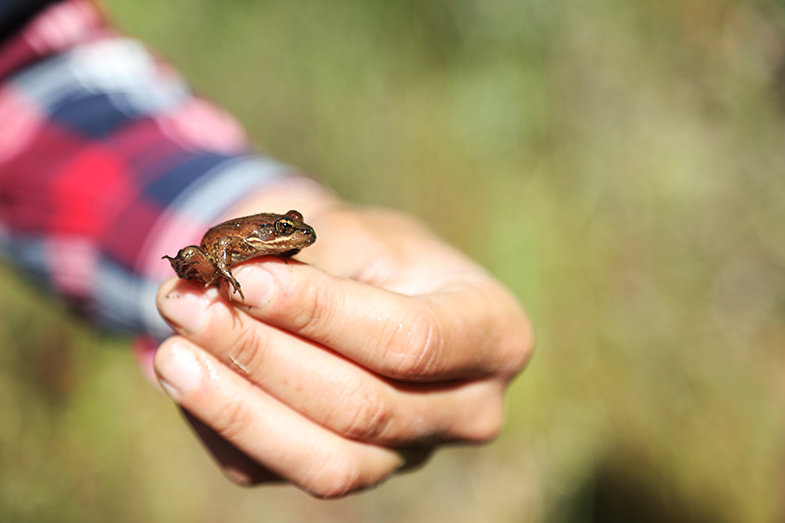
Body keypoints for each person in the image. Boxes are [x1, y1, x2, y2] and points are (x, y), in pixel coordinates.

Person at [0, 0, 533, 498]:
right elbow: (220, 253)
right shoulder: (243, 246)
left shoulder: (271, 239)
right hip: (214, 250)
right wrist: (225, 278)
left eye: (289, 230)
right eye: (286, 230)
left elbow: (39, 79)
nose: (290, 236)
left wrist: (296, 210)